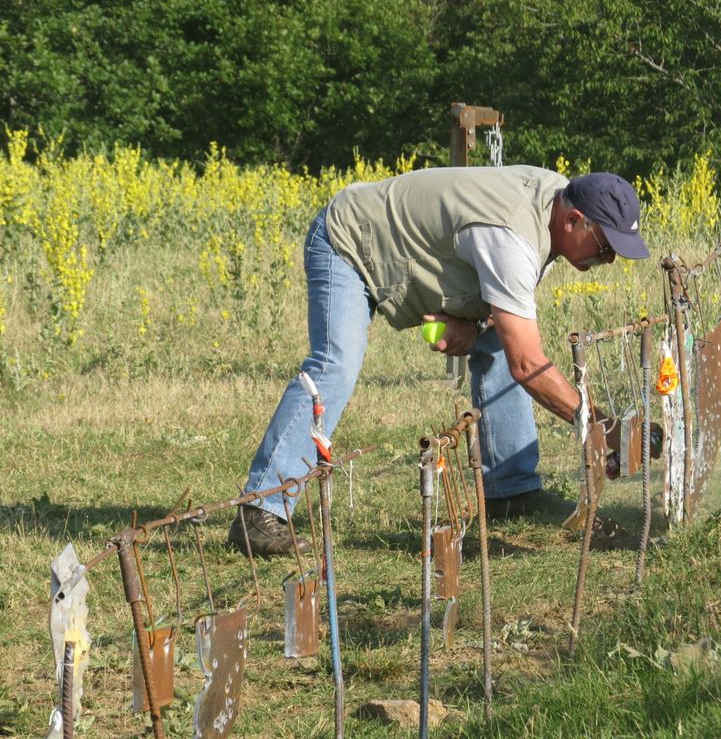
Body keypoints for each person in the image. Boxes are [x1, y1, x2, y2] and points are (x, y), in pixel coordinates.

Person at [229, 165, 650, 556]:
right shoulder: (513, 235)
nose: (607, 260)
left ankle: (512, 491)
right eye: (605, 246)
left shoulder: (557, 200)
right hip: (350, 240)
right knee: (333, 364)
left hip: (405, 248)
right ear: (573, 220)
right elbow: (527, 363)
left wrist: (477, 327)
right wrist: (604, 428)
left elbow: (498, 302)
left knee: (500, 341)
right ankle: (259, 512)